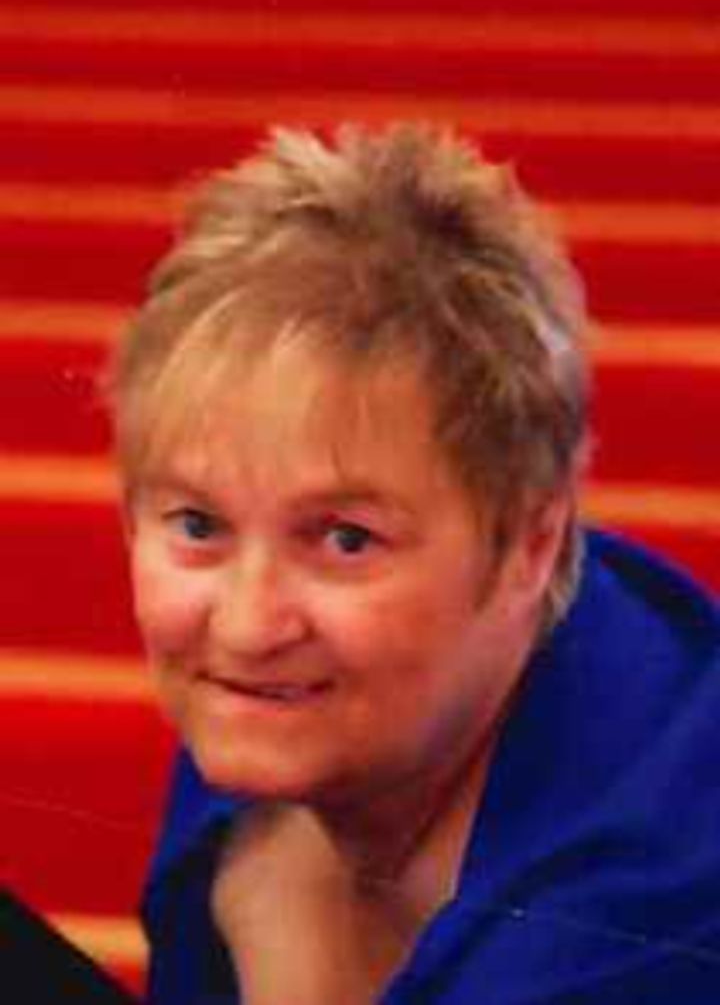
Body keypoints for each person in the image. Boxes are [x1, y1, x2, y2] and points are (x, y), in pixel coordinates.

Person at [109, 124, 720, 1004]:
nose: (246, 625)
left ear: (533, 543)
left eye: (345, 540)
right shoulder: (314, 703)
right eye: (200, 525)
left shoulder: (644, 918)